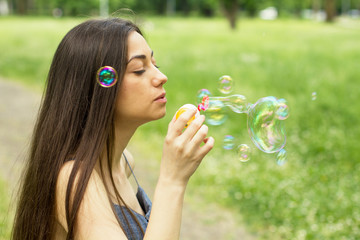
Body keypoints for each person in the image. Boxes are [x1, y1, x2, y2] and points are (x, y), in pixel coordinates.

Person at [11, 17, 214, 240]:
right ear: (96, 88)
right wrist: (172, 181)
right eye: (139, 69)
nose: (161, 77)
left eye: (155, 65)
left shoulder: (122, 162)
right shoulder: (74, 178)